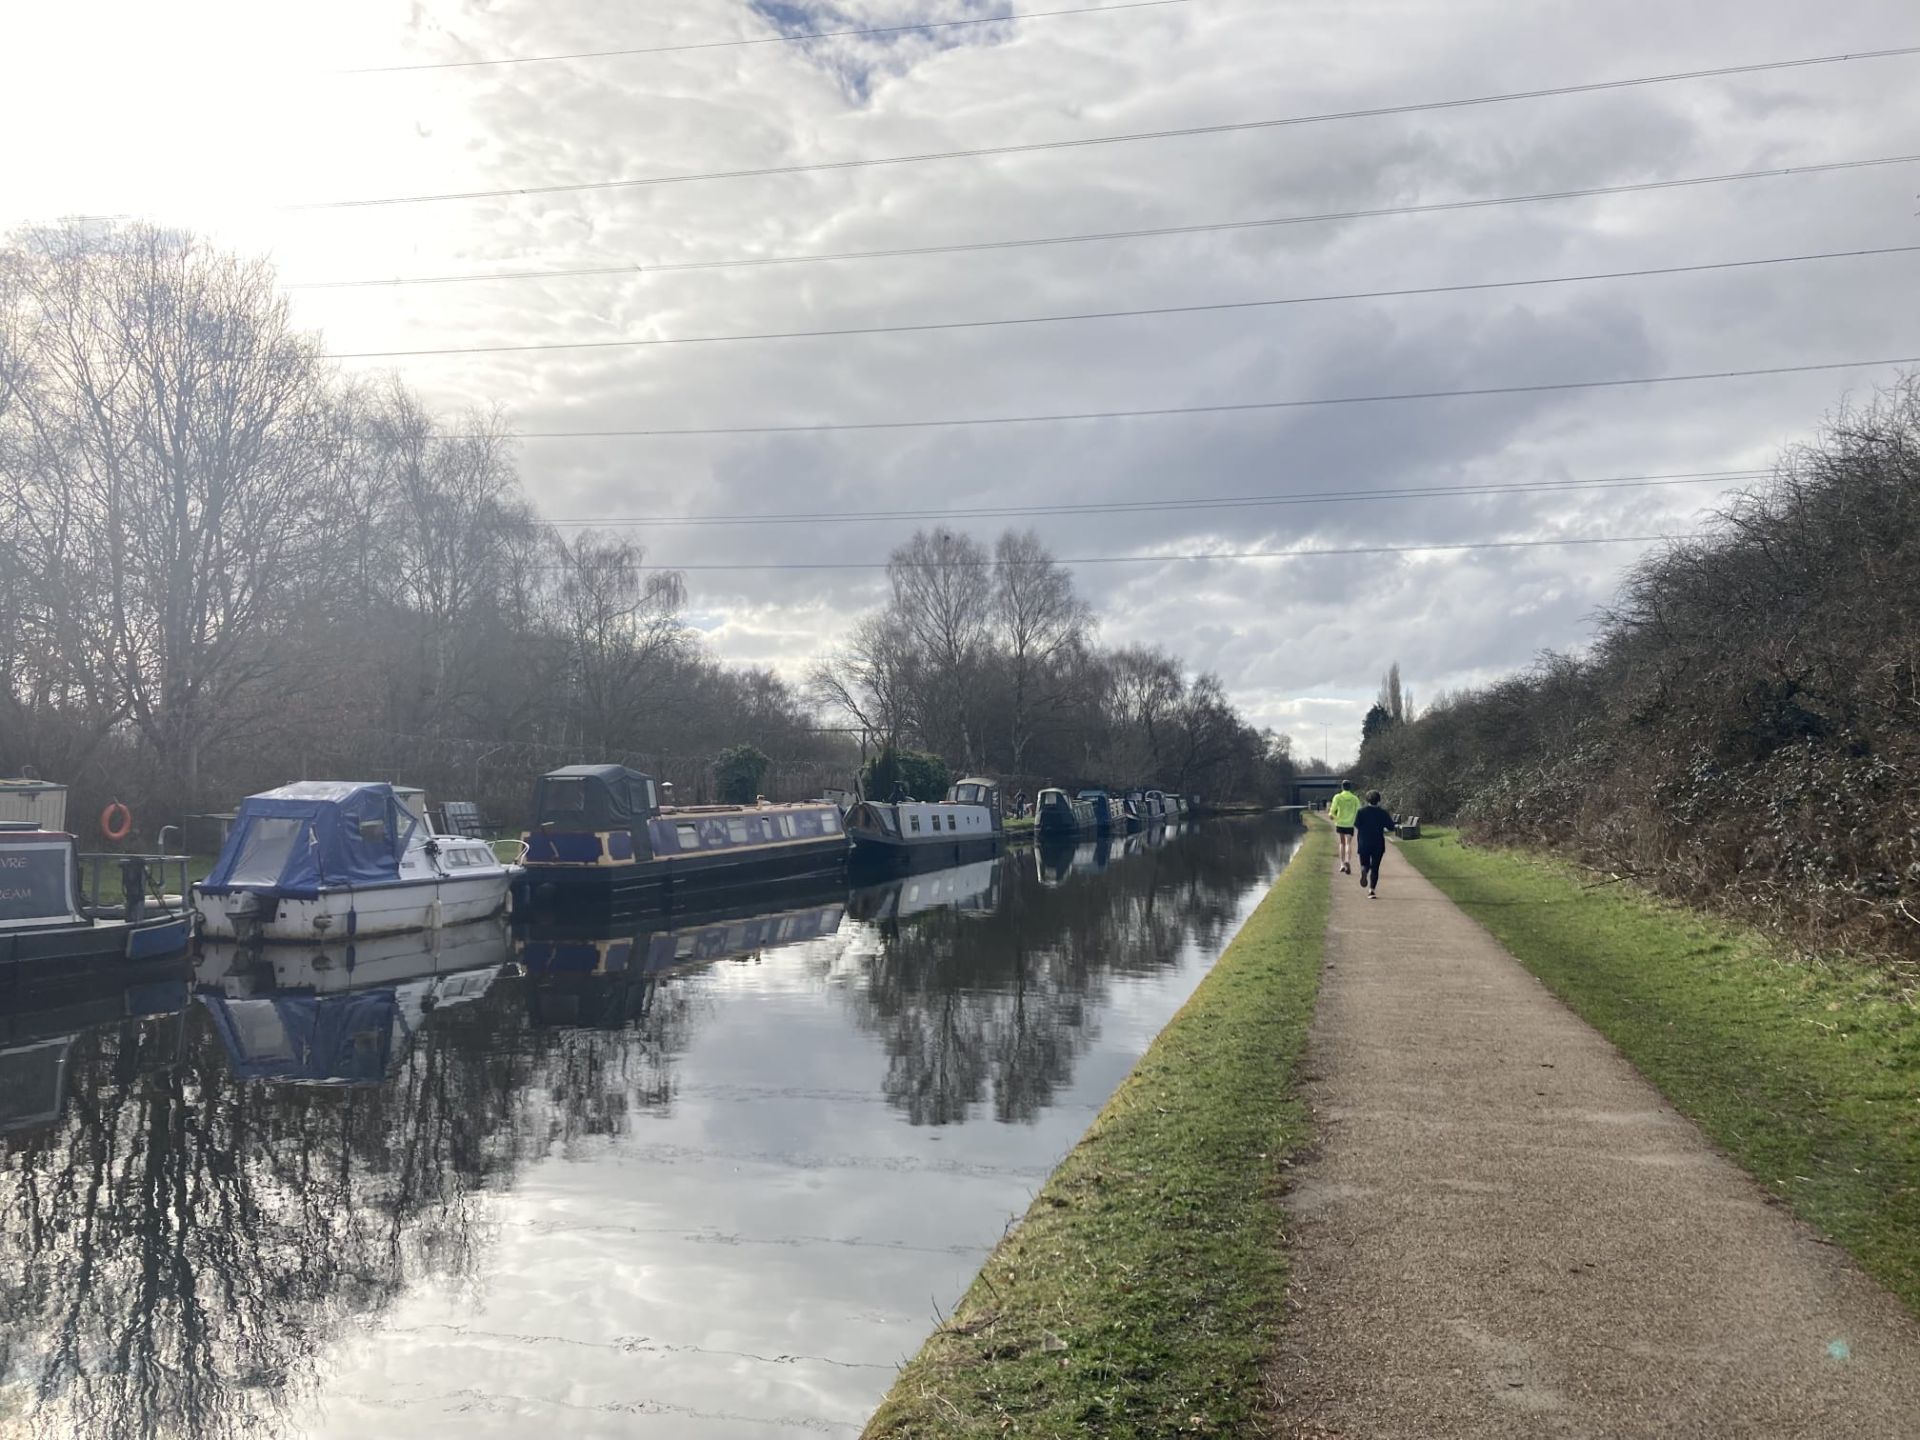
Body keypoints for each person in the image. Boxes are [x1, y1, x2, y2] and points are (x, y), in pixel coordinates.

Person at [1353, 789, 1399, 898]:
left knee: (1365, 863)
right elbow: (1391, 827)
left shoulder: (1361, 812)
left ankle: (1364, 870)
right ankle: (1371, 891)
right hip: (1378, 842)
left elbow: (1357, 825)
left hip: (1364, 842)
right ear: (1379, 800)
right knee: (1375, 867)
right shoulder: (1382, 813)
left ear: (1367, 800)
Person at [1327, 780, 1362, 873]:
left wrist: (1332, 816)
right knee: (1348, 843)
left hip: (1340, 823)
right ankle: (1348, 861)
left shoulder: (1338, 797)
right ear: (1350, 787)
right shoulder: (1354, 798)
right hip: (1350, 824)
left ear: (1342, 787)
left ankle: (1342, 864)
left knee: (1342, 843)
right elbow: (1359, 810)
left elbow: (1332, 809)